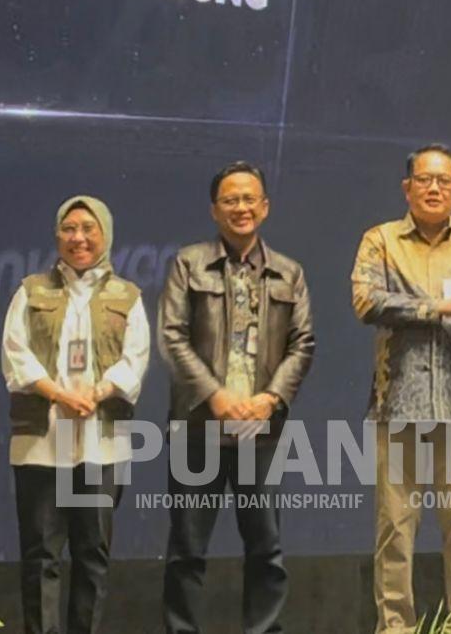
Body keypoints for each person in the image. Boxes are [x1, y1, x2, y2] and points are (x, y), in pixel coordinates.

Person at [158, 161, 316, 634]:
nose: (241, 207)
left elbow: (302, 344)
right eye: (231, 200)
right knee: (186, 550)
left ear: (264, 207)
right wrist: (215, 395)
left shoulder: (289, 272)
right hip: (199, 430)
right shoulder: (189, 263)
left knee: (265, 549)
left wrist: (270, 399)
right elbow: (171, 337)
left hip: (261, 430)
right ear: (215, 210)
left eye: (249, 199)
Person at [351, 144, 451, 633]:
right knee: (395, 528)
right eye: (424, 179)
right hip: (398, 403)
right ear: (407, 187)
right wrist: (438, 306)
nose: (434, 188)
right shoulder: (381, 240)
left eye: (444, 181)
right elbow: (366, 301)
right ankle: (396, 628)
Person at [1, 195, 151, 634]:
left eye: (88, 228)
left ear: (106, 234)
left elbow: (136, 359)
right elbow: (14, 353)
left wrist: (98, 392)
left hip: (100, 445)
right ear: (57, 236)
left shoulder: (128, 297)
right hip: (41, 443)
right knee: (41, 556)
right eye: (69, 229)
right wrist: (57, 393)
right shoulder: (31, 291)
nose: (78, 238)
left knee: (91, 555)